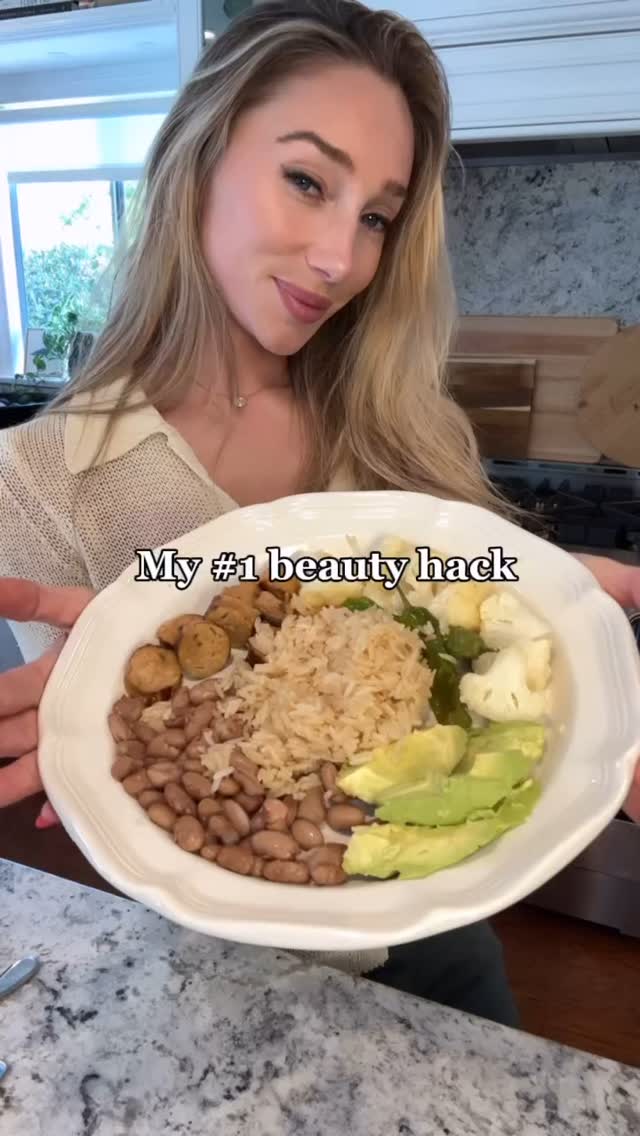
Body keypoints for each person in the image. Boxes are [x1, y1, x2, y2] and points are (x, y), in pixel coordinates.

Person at [0, 0, 638, 1028]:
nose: (343, 257)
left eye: (377, 216)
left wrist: (558, 611)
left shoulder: (409, 421)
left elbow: (476, 629)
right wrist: (89, 707)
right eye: (307, 180)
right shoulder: (36, 478)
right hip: (206, 971)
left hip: (439, 943)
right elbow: (100, 773)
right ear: (199, 157)